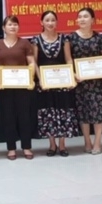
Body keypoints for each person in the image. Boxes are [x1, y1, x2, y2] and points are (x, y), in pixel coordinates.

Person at [30, 11, 78, 157]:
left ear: (57, 22)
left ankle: (62, 145)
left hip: (62, 81)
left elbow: (68, 59)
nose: (50, 23)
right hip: (45, 83)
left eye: (53, 20)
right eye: (47, 20)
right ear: (41, 22)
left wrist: (71, 76)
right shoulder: (35, 40)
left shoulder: (64, 39)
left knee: (63, 111)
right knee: (48, 113)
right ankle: (52, 144)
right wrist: (40, 79)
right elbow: (34, 62)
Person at [68, 7, 102, 155]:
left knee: (99, 112)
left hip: (98, 82)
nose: (82, 19)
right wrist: (73, 74)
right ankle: (87, 141)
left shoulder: (98, 37)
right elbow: (68, 59)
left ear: (93, 20)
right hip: (81, 82)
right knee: (84, 113)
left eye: (85, 16)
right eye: (80, 17)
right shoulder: (71, 38)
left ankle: (97, 142)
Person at [0, 16, 37, 160]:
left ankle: (26, 147)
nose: (13, 27)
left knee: (24, 116)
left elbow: (31, 63)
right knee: (8, 117)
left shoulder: (25, 43)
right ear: (3, 28)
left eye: (15, 24)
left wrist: (30, 77)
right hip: (5, 87)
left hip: (22, 86)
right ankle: (11, 148)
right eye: (10, 24)